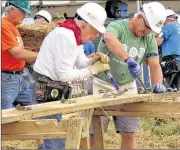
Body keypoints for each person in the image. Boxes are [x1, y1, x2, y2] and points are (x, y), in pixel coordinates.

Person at [32, 2, 110, 149]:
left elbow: (80, 62)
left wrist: (92, 60)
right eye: (95, 31)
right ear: (84, 26)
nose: (96, 36)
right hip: (47, 84)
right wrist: (92, 70)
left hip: (52, 84)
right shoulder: (66, 36)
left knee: (57, 132)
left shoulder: (73, 33)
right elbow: (64, 75)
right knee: (55, 135)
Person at [94, 2, 167, 149]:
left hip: (127, 85)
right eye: (147, 28)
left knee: (129, 132)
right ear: (139, 17)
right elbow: (109, 38)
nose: (147, 32)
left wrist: (157, 83)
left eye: (151, 30)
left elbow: (154, 64)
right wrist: (128, 59)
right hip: (102, 84)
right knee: (96, 132)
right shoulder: (118, 26)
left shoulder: (149, 38)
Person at [1, 0, 38, 110]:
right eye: (23, 11)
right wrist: (42, 55)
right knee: (5, 114)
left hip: (18, 77)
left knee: (33, 105)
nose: (25, 15)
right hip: (7, 79)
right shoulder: (3, 26)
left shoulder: (13, 26)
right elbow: (17, 53)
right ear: (12, 10)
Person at [156, 9, 180, 90]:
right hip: (178, 61)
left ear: (168, 19)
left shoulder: (168, 26)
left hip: (170, 62)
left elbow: (158, 41)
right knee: (177, 90)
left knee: (164, 89)